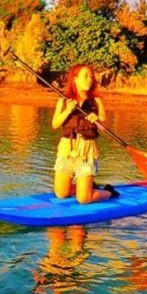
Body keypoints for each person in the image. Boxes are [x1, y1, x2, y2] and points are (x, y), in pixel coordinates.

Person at [51, 64, 117, 203]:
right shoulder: (63, 101)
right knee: (61, 194)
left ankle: (108, 192)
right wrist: (68, 110)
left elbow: (105, 127)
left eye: (91, 76)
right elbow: (55, 124)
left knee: (83, 199)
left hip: (87, 152)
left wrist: (97, 120)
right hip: (66, 151)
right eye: (85, 76)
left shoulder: (97, 101)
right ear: (75, 79)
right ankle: (88, 187)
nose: (89, 79)